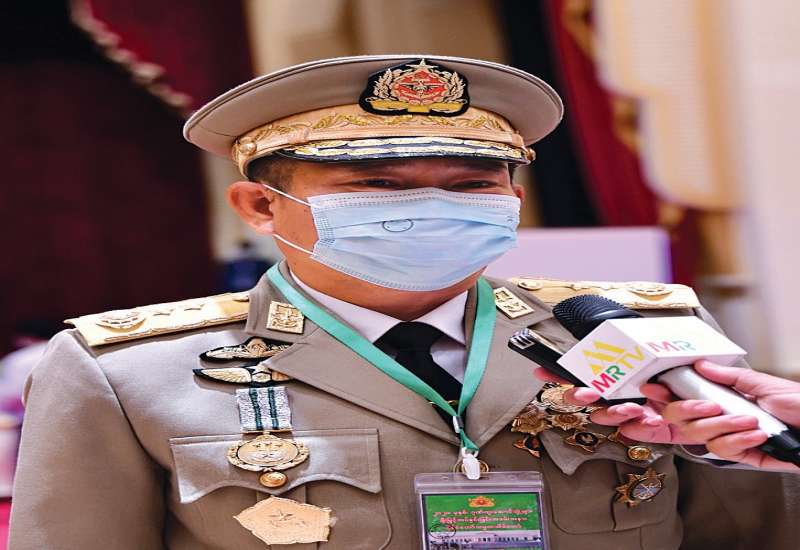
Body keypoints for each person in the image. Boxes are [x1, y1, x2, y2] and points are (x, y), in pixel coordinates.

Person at [9, 55, 800, 550]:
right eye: (377, 184)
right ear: (260, 206)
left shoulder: (635, 335)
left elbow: (755, 531)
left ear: (513, 197)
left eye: (472, 185)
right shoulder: (129, 373)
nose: (432, 208)